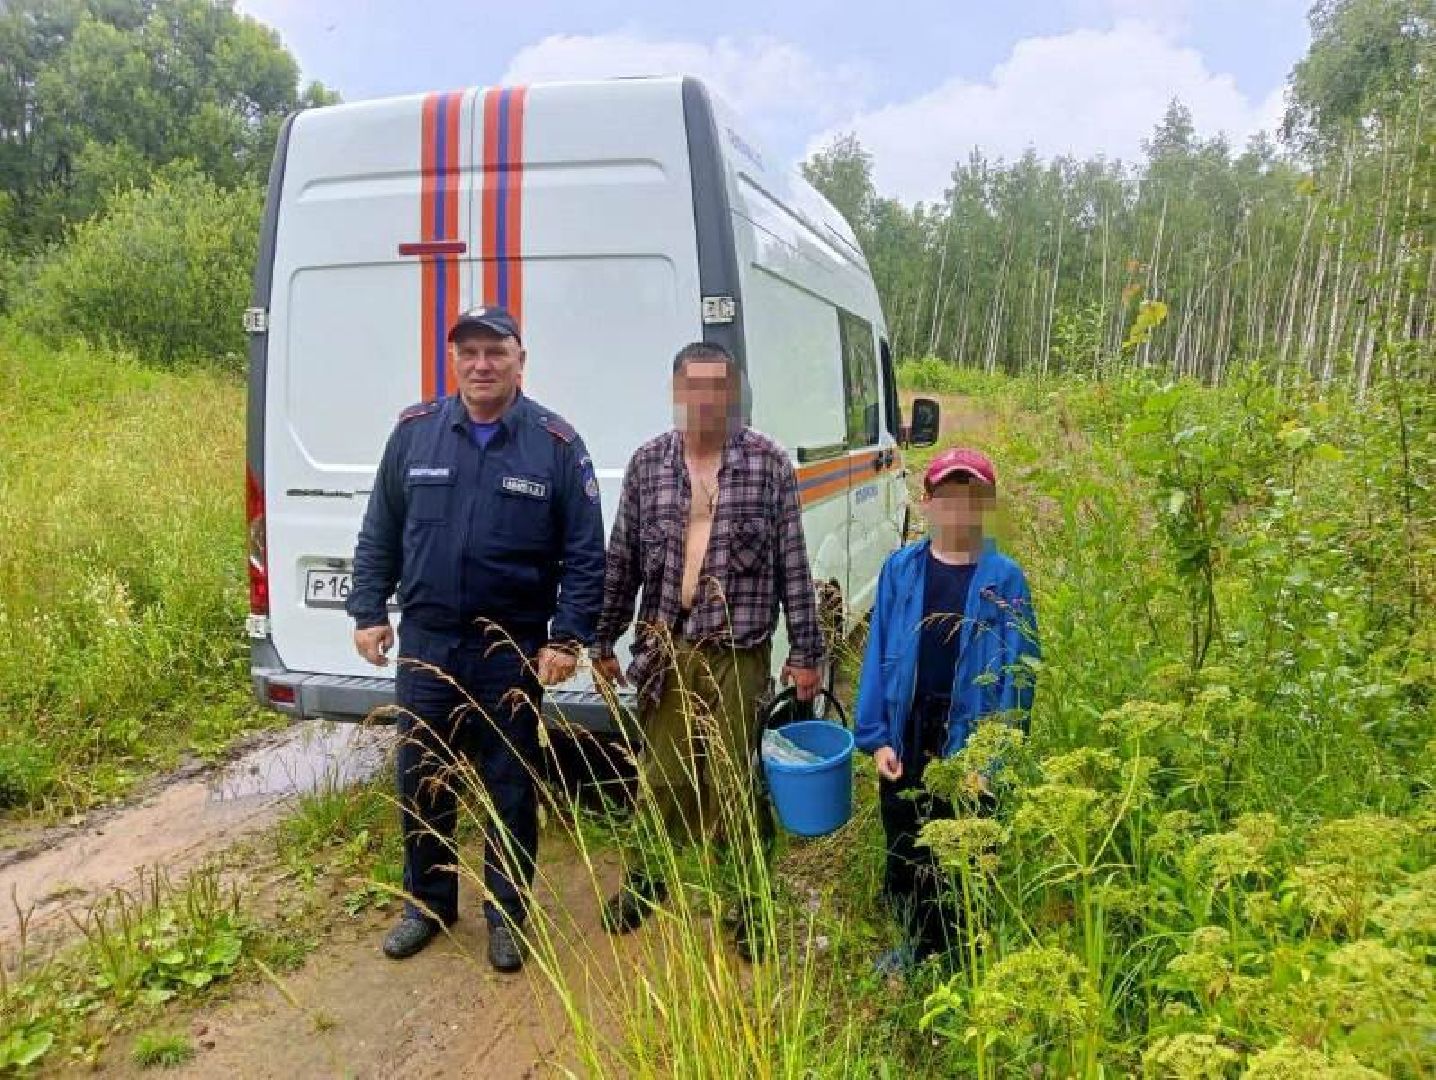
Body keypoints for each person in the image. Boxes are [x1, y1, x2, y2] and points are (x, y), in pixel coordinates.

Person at [346, 305, 606, 971]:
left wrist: (567, 637)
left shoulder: (555, 444)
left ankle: (507, 915)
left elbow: (584, 554)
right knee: (423, 781)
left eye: (496, 351)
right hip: (428, 645)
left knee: (508, 785)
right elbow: (381, 530)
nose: (482, 364)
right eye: (469, 352)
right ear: (453, 359)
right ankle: (426, 906)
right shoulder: (414, 433)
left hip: (509, 650)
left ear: (522, 360)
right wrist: (368, 609)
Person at [591, 341, 825, 959]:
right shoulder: (648, 465)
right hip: (666, 647)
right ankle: (647, 880)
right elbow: (622, 562)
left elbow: (793, 567)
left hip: (738, 650)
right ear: (676, 392)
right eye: (694, 387)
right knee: (664, 777)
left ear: (734, 391)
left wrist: (807, 650)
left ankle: (748, 904)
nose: (706, 399)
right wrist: (602, 638)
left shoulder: (767, 464)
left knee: (735, 783)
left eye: (718, 387)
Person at [854, 448, 1039, 970]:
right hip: (909, 728)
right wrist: (878, 737)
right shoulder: (902, 569)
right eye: (947, 498)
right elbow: (879, 653)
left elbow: (1018, 682)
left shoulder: (1006, 580)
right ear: (928, 502)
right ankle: (910, 938)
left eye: (971, 499)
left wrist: (991, 761)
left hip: (969, 739)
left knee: (960, 848)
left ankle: (957, 953)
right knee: (905, 835)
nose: (958, 511)